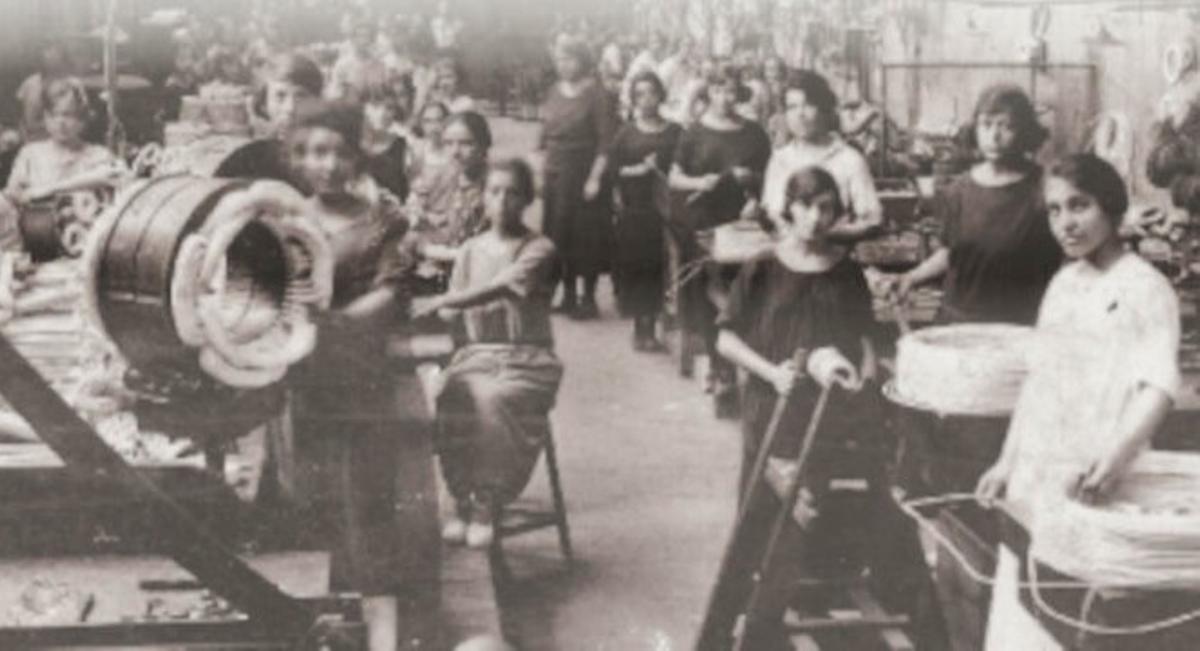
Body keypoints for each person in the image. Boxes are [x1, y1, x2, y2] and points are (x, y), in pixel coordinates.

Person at [976, 154, 1179, 649]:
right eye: (1054, 210)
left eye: (1079, 206)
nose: (1065, 222)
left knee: (1082, 620)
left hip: (1094, 477)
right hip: (1038, 472)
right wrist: (1007, 460)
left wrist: (1113, 459)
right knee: (1026, 615)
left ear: (1111, 207)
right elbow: (1039, 378)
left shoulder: (1145, 287)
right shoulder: (1064, 284)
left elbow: (1158, 387)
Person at [715, 166, 879, 648]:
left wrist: (866, 376)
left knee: (819, 507)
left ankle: (807, 603)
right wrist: (772, 373)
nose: (815, 217)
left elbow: (865, 336)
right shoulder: (764, 266)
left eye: (827, 207)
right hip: (774, 408)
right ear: (789, 209)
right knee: (765, 512)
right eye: (807, 205)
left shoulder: (847, 270)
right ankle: (755, 617)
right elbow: (725, 337)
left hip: (831, 408)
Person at [282, 100, 423, 651]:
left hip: (362, 375)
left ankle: (381, 621)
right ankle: (325, 615)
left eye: (340, 152)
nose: (328, 164)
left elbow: (391, 294)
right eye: (315, 152)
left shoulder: (382, 222)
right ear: (297, 158)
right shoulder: (286, 219)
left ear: (357, 156)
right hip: (303, 374)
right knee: (312, 490)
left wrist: (333, 319)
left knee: (367, 494)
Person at [414, 158, 563, 549]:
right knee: (448, 394)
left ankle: (487, 499)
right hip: (476, 354)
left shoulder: (539, 249)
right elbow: (451, 314)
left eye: (513, 193)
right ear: (483, 198)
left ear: (527, 199)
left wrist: (444, 299)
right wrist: (419, 301)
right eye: (494, 192)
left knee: (492, 399)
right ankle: (460, 495)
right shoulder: (469, 249)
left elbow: (502, 287)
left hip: (525, 358)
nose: (502, 201)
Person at [887, 83, 1061, 326]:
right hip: (959, 319)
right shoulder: (959, 191)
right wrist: (911, 277)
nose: (994, 136)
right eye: (986, 125)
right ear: (975, 128)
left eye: (1007, 126)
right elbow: (952, 253)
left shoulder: (1044, 188)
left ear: (1024, 132)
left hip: (1018, 324)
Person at [668, 60, 771, 403]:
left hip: (745, 219)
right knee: (711, 280)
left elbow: (769, 179)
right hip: (704, 221)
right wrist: (701, 181)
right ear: (707, 92)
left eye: (730, 90)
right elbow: (674, 177)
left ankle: (749, 352)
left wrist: (754, 192)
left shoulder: (754, 133)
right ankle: (720, 363)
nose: (724, 98)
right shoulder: (694, 132)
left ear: (738, 92)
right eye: (716, 90)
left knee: (756, 278)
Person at [539, 36, 618, 319]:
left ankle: (588, 297)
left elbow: (605, 141)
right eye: (559, 59)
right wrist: (541, 170)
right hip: (557, 176)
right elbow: (544, 135)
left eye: (569, 58)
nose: (564, 65)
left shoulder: (598, 94)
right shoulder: (553, 92)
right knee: (559, 235)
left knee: (587, 237)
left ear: (582, 60)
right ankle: (568, 294)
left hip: (585, 175)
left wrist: (595, 178)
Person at [760, 70, 882, 243]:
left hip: (835, 257)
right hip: (788, 257)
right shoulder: (779, 159)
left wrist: (825, 235)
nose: (800, 114)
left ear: (824, 109)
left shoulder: (849, 159)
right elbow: (772, 215)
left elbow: (871, 221)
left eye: (808, 105)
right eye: (792, 107)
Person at [608, 71, 681, 351]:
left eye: (651, 92)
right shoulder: (626, 132)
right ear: (633, 98)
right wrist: (638, 170)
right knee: (641, 268)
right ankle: (643, 328)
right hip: (637, 210)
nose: (646, 99)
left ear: (660, 95)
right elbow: (613, 170)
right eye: (639, 94)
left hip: (667, 209)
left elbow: (686, 163)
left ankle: (666, 325)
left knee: (666, 267)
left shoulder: (675, 131)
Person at [404, 110, 491, 290]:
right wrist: (417, 214)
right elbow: (419, 218)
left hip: (479, 277)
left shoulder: (494, 186)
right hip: (438, 268)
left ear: (483, 145)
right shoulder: (443, 176)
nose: (455, 152)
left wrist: (428, 248)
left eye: (466, 143)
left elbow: (492, 248)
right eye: (448, 144)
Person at [5, 77, 116, 211]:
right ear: (45, 118)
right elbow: (12, 194)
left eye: (68, 115)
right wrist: (18, 195)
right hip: (37, 227)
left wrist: (49, 189)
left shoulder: (98, 155)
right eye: (53, 115)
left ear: (83, 119)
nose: (60, 123)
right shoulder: (31, 154)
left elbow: (114, 176)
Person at [361, 83, 411, 202]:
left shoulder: (403, 143)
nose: (382, 113)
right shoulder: (354, 146)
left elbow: (408, 187)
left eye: (389, 108)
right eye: (376, 106)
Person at [328, 12, 388, 103]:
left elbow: (384, 94)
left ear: (373, 40)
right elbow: (334, 94)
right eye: (359, 36)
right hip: (349, 112)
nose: (364, 41)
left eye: (368, 36)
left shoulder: (379, 65)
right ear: (352, 39)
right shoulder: (342, 65)